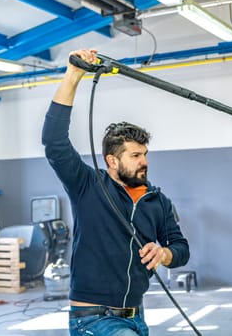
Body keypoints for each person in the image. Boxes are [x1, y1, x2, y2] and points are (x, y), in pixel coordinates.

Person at [42, 49, 190, 336]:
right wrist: (74, 75)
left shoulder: (157, 201)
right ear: (112, 161)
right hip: (93, 319)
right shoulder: (87, 185)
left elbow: (181, 248)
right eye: (135, 155)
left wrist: (164, 254)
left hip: (136, 316)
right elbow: (53, 141)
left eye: (145, 154)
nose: (144, 161)